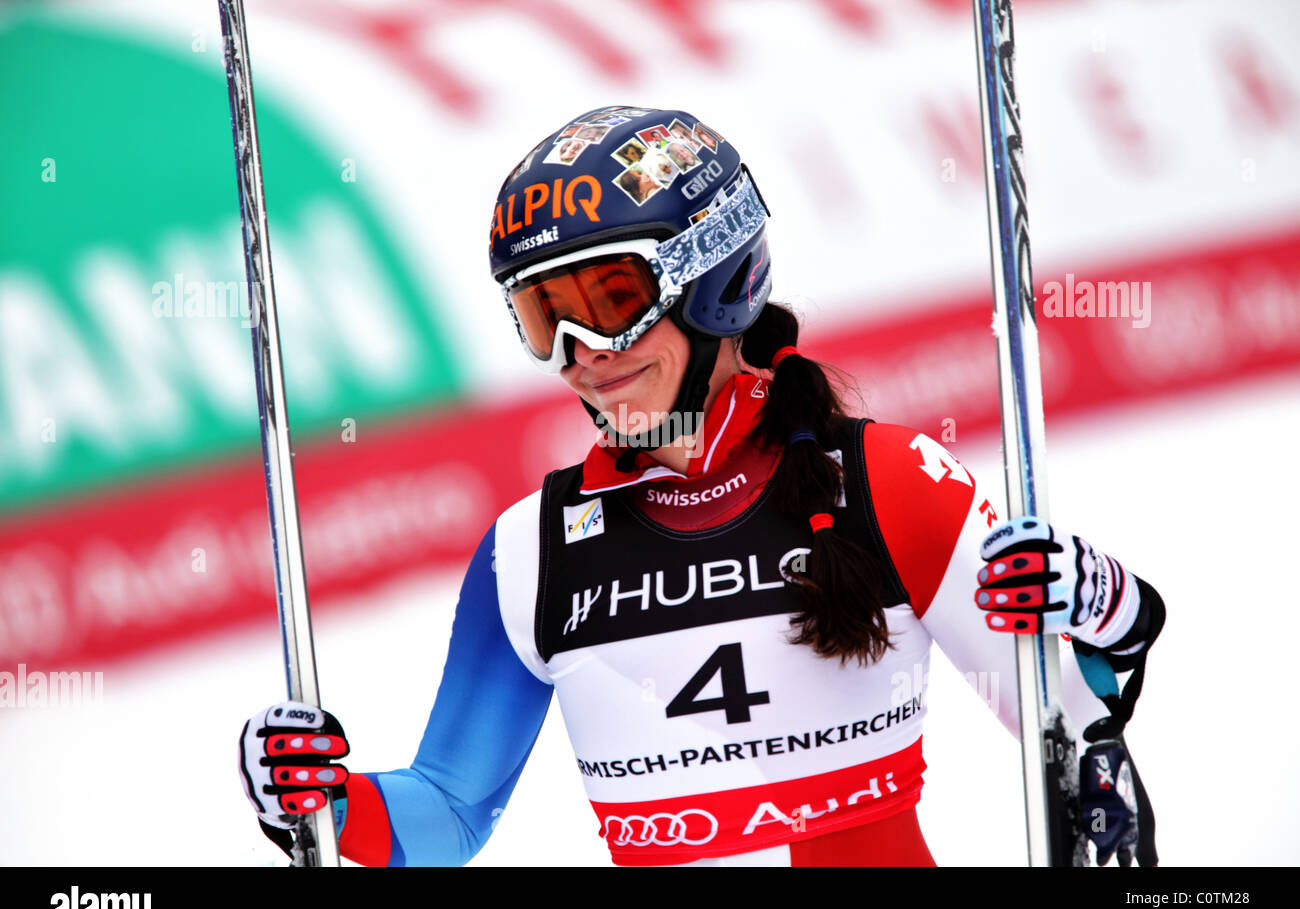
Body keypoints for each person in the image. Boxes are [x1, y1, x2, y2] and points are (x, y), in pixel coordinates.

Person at [239, 106, 1166, 867]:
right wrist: (318, 799)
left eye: (609, 304)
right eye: (542, 317)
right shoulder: (530, 553)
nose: (581, 358)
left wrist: (1104, 605)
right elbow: (443, 815)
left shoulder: (883, 482)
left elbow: (1082, 736)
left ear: (714, 282)